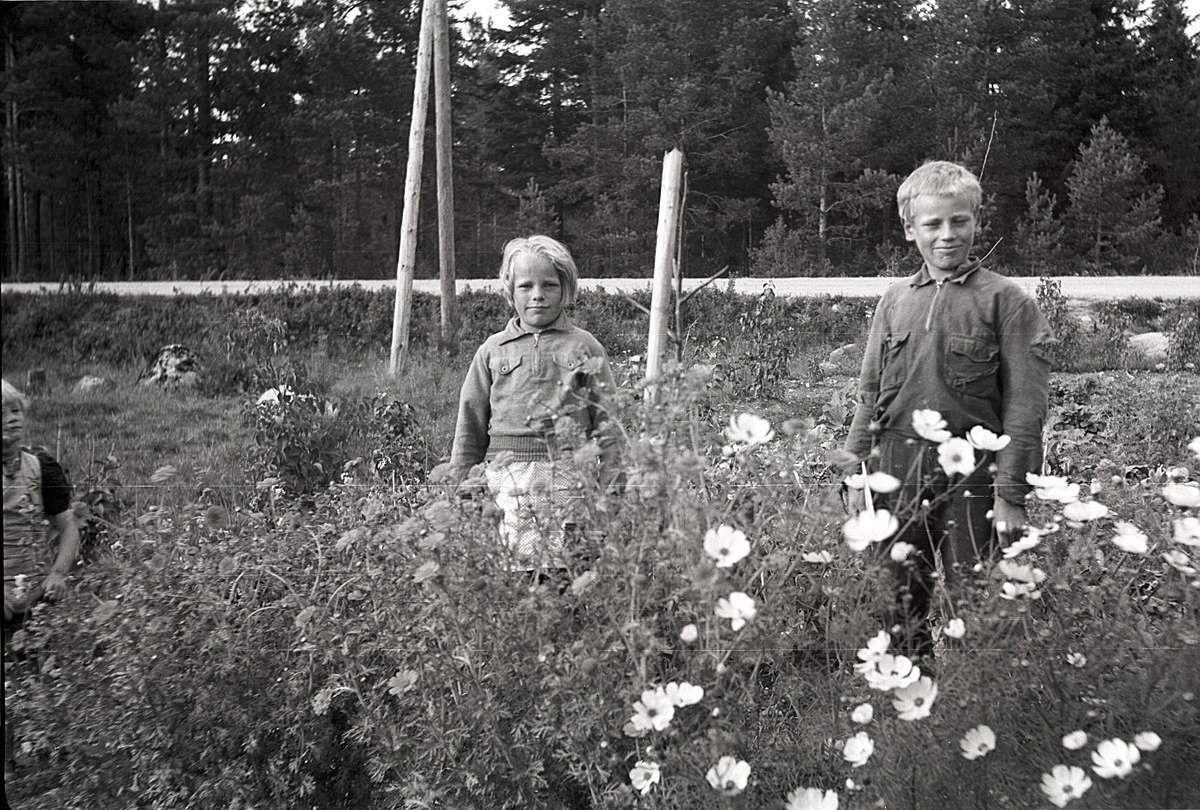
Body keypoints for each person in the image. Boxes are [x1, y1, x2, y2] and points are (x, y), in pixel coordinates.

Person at [842, 161, 1055, 656]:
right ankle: (906, 706)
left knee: (977, 602)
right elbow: (870, 393)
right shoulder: (894, 301)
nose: (947, 235)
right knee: (897, 599)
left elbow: (1025, 408)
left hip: (973, 472)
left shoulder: (1007, 302)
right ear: (909, 228)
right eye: (933, 224)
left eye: (959, 221)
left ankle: (975, 707)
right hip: (897, 469)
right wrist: (857, 471)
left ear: (976, 220)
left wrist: (1011, 494)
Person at [447, 236, 620, 570]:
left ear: (566, 289)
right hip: (508, 483)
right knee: (514, 573)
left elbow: (609, 424)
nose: (537, 295)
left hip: (569, 480)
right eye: (526, 286)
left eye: (549, 285)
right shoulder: (492, 351)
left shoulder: (584, 347)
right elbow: (470, 426)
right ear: (509, 291)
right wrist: (463, 488)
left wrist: (612, 490)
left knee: (567, 572)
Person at [4, 377, 82, 776]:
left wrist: (56, 575)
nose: (9, 419)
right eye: (0, 413)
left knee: (42, 672)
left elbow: (68, 527)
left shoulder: (40, 467)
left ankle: (46, 760)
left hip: (35, 594)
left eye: (14, 410)